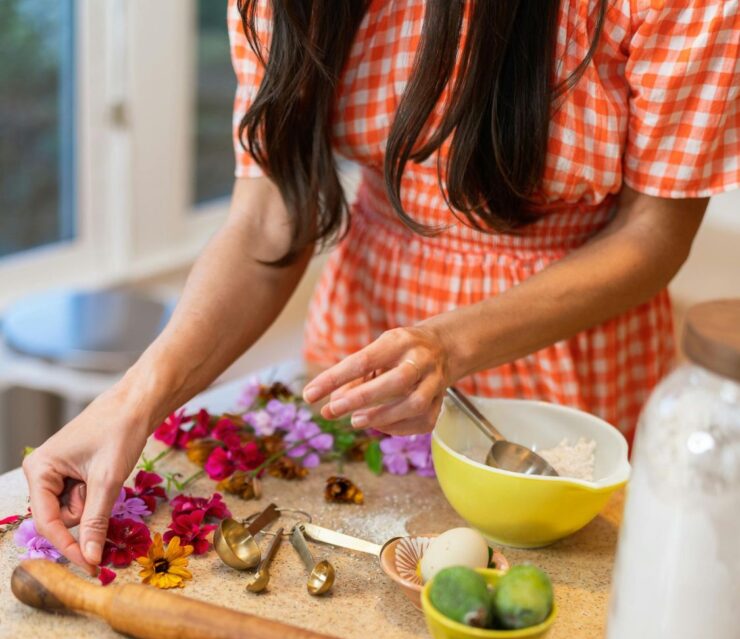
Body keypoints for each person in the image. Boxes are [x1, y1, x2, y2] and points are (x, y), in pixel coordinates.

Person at [24, 0, 739, 574]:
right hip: (363, 344)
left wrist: (447, 343)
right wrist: (132, 401)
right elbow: (270, 219)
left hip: (567, 358)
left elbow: (653, 238)